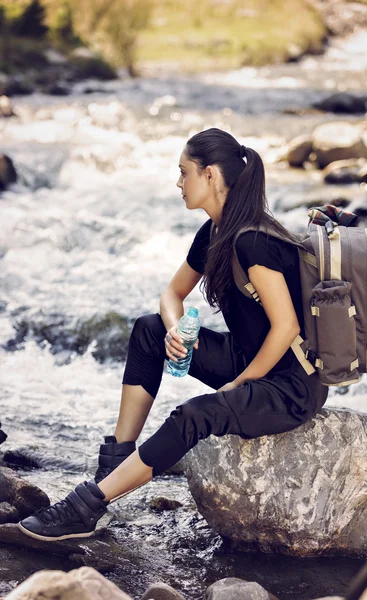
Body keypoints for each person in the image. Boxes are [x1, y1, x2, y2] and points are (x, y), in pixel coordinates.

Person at [19, 127, 328, 541]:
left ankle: (85, 508)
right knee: (148, 329)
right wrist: (173, 331)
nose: (179, 183)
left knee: (193, 414)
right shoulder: (216, 231)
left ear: (211, 175)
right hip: (248, 359)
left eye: (184, 173)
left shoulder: (253, 240)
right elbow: (172, 293)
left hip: (289, 386)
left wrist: (239, 384)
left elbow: (286, 326)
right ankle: (114, 466)